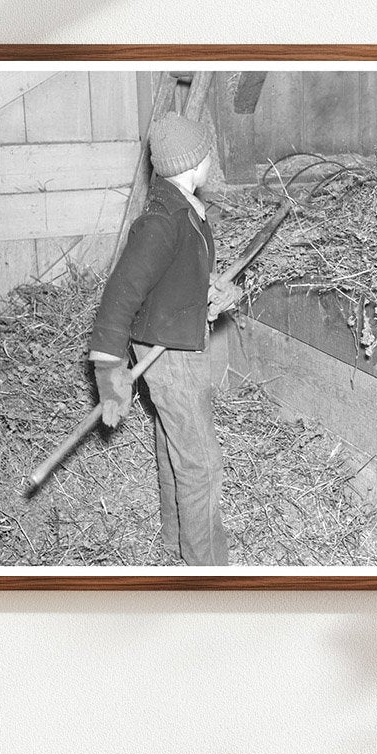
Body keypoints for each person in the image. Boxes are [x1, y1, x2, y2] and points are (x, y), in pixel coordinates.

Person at [88, 113, 241, 566]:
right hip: (169, 355)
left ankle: (177, 546)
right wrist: (108, 371)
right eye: (208, 153)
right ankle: (208, 570)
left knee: (176, 444)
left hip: (173, 342)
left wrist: (214, 290)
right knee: (202, 464)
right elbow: (119, 296)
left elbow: (175, 277)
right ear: (198, 161)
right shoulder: (160, 221)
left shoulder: (179, 207)